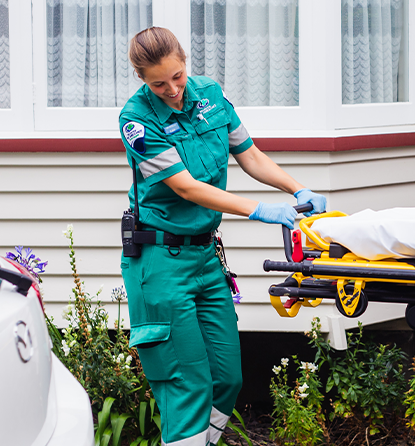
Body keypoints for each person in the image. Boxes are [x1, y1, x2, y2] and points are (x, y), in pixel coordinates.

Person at [118, 27, 326, 446]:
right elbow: (186, 187)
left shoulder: (210, 95)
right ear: (142, 78)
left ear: (184, 61)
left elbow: (248, 153)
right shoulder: (136, 120)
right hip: (160, 263)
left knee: (226, 377)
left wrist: (295, 189)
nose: (173, 90)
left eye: (177, 76)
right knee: (187, 385)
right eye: (159, 83)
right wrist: (259, 210)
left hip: (205, 258)